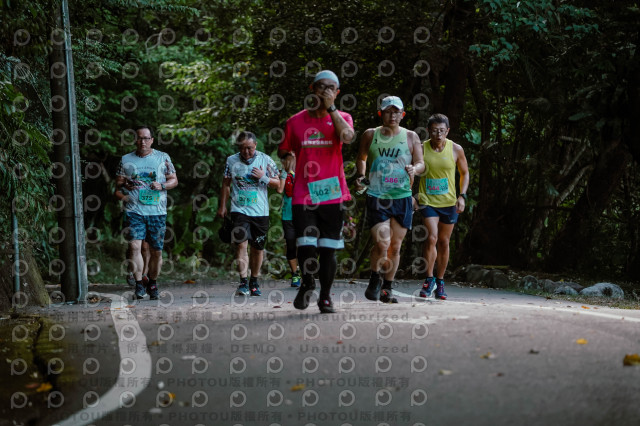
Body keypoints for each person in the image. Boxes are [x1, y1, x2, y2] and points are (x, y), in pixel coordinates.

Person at [278, 70, 355, 314]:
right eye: (321, 86)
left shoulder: (343, 117)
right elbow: (284, 149)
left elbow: (348, 137)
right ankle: (307, 282)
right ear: (312, 89)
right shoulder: (295, 122)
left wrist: (332, 109)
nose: (326, 91)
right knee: (306, 244)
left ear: (337, 92)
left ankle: (325, 297)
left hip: (331, 192)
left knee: (328, 248)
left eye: (331, 87)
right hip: (303, 192)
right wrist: (287, 157)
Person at [355, 96, 424, 303]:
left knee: (395, 246)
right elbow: (361, 158)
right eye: (388, 111)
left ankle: (387, 288)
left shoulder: (411, 137)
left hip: (402, 196)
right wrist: (361, 175)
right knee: (382, 243)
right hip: (377, 195)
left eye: (396, 112)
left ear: (402, 114)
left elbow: (421, 163)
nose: (392, 115)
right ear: (381, 114)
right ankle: (375, 276)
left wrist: (414, 168)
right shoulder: (370, 134)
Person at [115, 125, 178, 300]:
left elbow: (174, 180)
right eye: (140, 138)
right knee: (134, 246)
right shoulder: (126, 159)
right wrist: (125, 185)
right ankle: (139, 285)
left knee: (156, 251)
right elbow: (119, 183)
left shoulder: (163, 158)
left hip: (157, 212)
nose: (143, 141)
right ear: (135, 140)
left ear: (152, 140)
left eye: (146, 138)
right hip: (134, 210)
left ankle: (153, 282)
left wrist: (162, 185)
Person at [217, 131, 279, 296]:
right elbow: (226, 184)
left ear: (255, 145)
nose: (246, 152)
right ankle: (243, 282)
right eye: (242, 148)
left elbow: (278, 185)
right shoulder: (231, 160)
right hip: (239, 210)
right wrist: (222, 206)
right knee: (241, 244)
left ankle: (254, 281)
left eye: (249, 148)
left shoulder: (265, 160)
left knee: (257, 248)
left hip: (260, 211)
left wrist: (263, 177)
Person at [417, 113, 469, 300]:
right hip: (427, 200)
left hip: (448, 202)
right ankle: (428, 278)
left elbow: (464, 173)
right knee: (431, 237)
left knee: (444, 242)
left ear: (447, 131)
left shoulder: (456, 149)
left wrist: (462, 196)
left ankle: (440, 281)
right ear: (428, 131)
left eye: (441, 131)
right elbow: (411, 169)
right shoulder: (421, 148)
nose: (438, 134)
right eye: (434, 131)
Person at [276, 153, 301, 287]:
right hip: (288, 216)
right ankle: (295, 274)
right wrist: (284, 174)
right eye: (287, 158)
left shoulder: (304, 171)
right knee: (291, 245)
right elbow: (280, 190)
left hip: (303, 215)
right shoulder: (284, 174)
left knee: (305, 245)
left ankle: (307, 273)